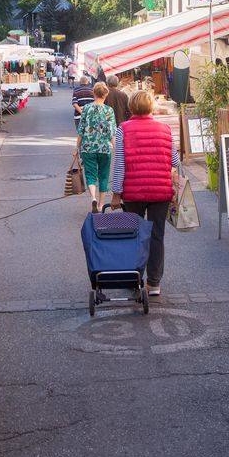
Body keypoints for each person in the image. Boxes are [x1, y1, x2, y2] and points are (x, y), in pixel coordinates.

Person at [111, 89, 179, 297]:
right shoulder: (165, 129)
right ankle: (154, 283)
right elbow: (175, 161)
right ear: (152, 107)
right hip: (161, 191)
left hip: (134, 192)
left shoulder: (124, 129)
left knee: (135, 236)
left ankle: (135, 279)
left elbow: (120, 164)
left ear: (131, 107)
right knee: (157, 236)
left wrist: (116, 192)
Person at [77, 82, 116, 212]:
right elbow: (112, 132)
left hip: (88, 148)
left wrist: (76, 148)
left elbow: (81, 130)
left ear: (93, 93)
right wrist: (116, 148)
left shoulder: (86, 108)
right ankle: (100, 205)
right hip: (104, 148)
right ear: (106, 95)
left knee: (90, 174)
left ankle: (93, 197)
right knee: (104, 176)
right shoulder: (109, 110)